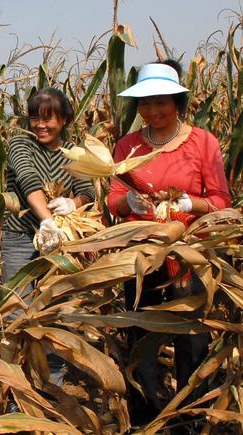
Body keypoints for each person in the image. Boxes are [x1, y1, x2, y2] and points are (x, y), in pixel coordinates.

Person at [107, 60, 231, 424]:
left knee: (190, 336)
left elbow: (222, 201)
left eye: (161, 102)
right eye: (145, 104)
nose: (152, 111)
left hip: (187, 253)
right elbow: (114, 197)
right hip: (141, 252)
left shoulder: (203, 142)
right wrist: (125, 202)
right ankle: (146, 416)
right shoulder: (127, 146)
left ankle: (188, 414)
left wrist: (191, 204)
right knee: (140, 328)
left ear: (178, 102)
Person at [1, 87, 95, 385]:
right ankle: (18, 386)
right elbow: (27, 178)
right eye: (34, 118)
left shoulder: (73, 155)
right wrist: (47, 220)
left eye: (48, 119)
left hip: (58, 244)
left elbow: (88, 193)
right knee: (18, 310)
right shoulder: (20, 143)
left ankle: (52, 383)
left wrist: (73, 203)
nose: (40, 125)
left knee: (57, 311)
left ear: (64, 120)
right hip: (21, 238)